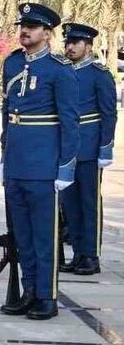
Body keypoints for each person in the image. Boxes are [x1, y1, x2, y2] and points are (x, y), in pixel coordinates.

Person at [0, 4, 78, 319]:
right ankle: (29, 290)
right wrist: (4, 156)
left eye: (32, 27)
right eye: (23, 25)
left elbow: (70, 122)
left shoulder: (59, 69)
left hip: (44, 164)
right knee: (22, 234)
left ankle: (47, 295)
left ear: (47, 33)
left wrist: (65, 166)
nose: (25, 31)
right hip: (16, 161)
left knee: (44, 235)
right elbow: (8, 114)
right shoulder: (12, 63)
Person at [58, 22, 115, 276]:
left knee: (89, 203)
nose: (70, 47)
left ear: (88, 46)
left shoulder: (98, 74)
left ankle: (91, 255)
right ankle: (78, 253)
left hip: (89, 147)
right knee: (70, 205)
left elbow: (108, 114)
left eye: (75, 43)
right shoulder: (63, 72)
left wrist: (105, 148)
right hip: (66, 150)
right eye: (67, 43)